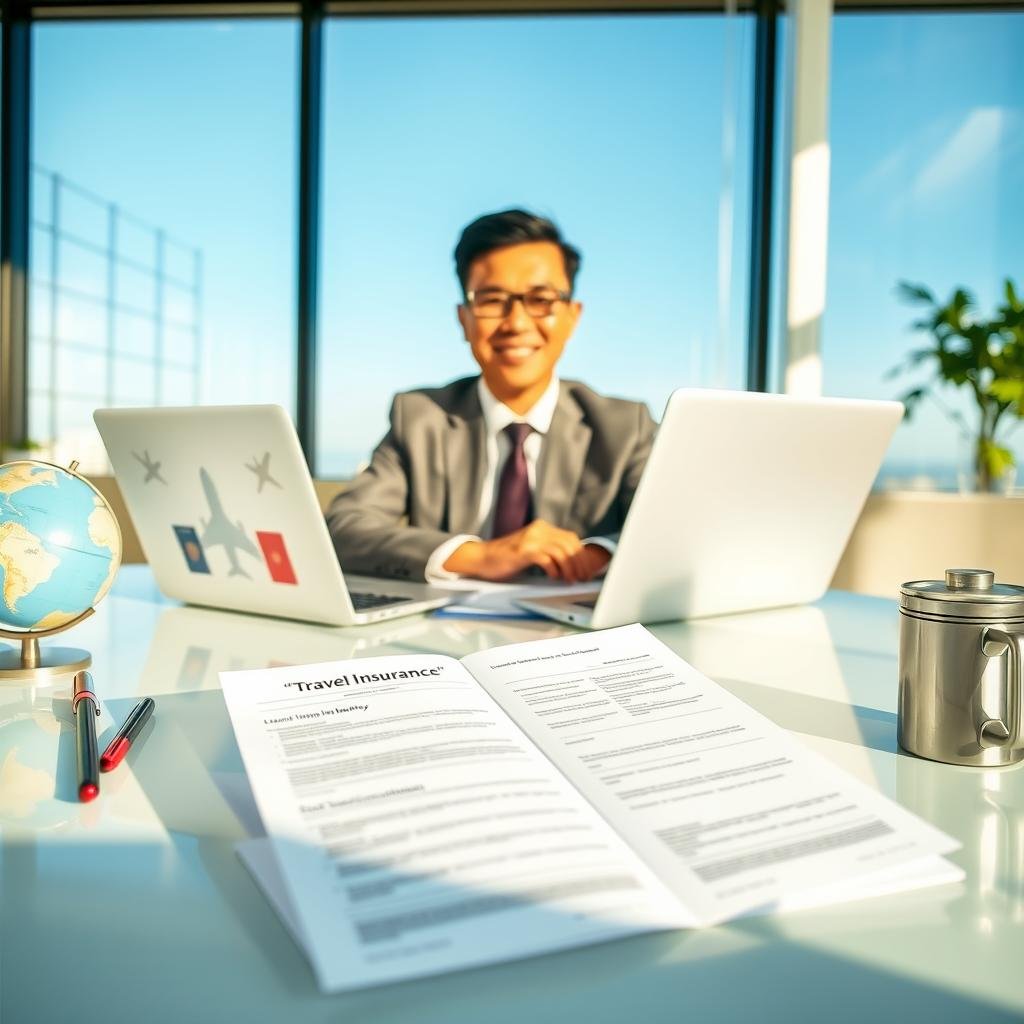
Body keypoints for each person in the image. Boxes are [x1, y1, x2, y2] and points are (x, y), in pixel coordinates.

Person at [326, 208, 656, 584]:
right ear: (464, 319)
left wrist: (598, 553)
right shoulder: (420, 417)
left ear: (572, 316)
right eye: (491, 300)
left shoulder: (626, 427)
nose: (515, 324)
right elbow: (344, 528)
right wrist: (481, 555)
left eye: (540, 298)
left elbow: (675, 526)